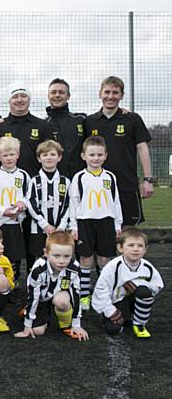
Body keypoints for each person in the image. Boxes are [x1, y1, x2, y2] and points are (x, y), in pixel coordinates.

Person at [84, 76, 154, 226]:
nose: (110, 96)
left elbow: (142, 149)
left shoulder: (132, 119)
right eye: (107, 92)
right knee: (100, 229)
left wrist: (148, 180)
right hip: (96, 186)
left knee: (128, 230)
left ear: (121, 95)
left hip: (126, 184)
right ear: (100, 94)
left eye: (115, 92)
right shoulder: (89, 121)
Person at [70, 136, 122, 311]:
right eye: (92, 154)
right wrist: (74, 226)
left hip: (106, 222)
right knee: (85, 259)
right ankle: (84, 295)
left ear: (105, 155)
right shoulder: (78, 178)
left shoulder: (110, 177)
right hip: (85, 222)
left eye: (99, 154)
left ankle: (102, 294)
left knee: (104, 259)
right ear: (83, 156)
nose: (96, 158)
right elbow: (74, 203)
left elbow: (115, 202)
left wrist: (117, 224)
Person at [14, 231, 89, 340]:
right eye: (56, 256)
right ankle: (29, 312)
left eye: (67, 256)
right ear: (46, 253)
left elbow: (76, 294)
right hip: (41, 298)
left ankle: (65, 326)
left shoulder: (74, 267)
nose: (62, 261)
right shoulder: (38, 270)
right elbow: (33, 297)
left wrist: (76, 325)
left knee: (62, 302)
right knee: (37, 331)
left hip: (60, 294)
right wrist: (28, 325)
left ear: (72, 254)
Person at [92, 228, 164, 338]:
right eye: (131, 245)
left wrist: (139, 283)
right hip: (116, 303)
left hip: (133, 300)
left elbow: (158, 286)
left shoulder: (147, 267)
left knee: (144, 291)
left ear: (145, 249)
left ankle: (140, 324)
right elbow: (101, 290)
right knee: (113, 330)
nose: (136, 249)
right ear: (120, 248)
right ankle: (123, 317)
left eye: (140, 246)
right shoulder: (112, 267)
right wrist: (110, 311)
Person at [0, 137, 31, 287]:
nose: (9, 158)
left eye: (12, 154)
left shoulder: (23, 175)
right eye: (5, 155)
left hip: (15, 222)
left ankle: (13, 284)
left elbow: (28, 196)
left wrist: (22, 204)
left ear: (18, 155)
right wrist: (2, 211)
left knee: (14, 257)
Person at [0, 85, 55, 176]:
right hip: (6, 184)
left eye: (23, 96)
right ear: (9, 101)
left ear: (29, 100)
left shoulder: (43, 125)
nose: (19, 100)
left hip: (35, 181)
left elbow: (51, 154)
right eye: (15, 97)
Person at [26, 140, 71, 264]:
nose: (49, 158)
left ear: (59, 157)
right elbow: (31, 203)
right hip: (39, 229)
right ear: (39, 159)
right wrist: (44, 224)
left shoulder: (65, 182)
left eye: (52, 154)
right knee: (41, 259)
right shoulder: (34, 181)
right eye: (45, 155)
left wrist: (61, 226)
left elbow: (69, 205)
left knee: (59, 258)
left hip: (60, 229)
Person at [45, 78, 86, 178]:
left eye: (61, 92)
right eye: (53, 92)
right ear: (48, 96)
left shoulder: (81, 120)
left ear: (68, 96)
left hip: (80, 179)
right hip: (55, 181)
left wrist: (120, 113)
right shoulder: (43, 124)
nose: (57, 95)